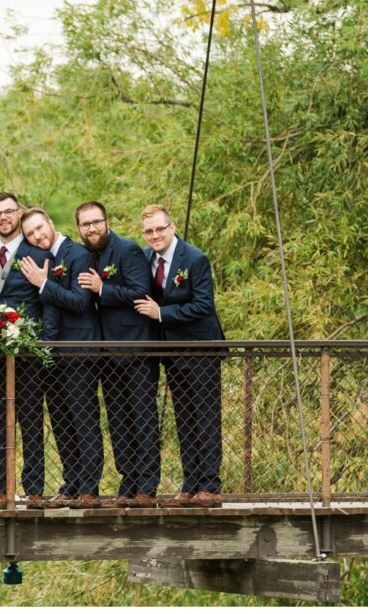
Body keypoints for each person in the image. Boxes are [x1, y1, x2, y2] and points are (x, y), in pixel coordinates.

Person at [133, 204, 225, 509]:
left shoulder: (195, 259)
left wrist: (162, 313)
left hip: (200, 348)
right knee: (184, 418)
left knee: (206, 417)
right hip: (171, 352)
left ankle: (210, 485)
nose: (155, 235)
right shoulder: (146, 258)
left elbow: (203, 305)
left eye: (160, 229)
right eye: (149, 231)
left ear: (172, 228)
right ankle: (191, 483)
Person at [75, 200, 160, 509]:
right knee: (118, 421)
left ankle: (147, 485)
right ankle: (129, 479)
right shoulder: (85, 255)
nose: (92, 228)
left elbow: (140, 291)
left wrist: (102, 288)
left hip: (136, 347)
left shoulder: (128, 250)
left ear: (106, 222)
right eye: (86, 224)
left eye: (96, 222)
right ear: (79, 229)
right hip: (106, 354)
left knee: (142, 417)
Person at [18, 207, 103, 509]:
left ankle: (90, 488)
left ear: (51, 223)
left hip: (79, 352)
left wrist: (43, 283)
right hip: (52, 357)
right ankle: (72, 482)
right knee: (62, 423)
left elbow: (81, 302)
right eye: (31, 234)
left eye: (40, 228)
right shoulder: (45, 260)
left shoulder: (76, 254)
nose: (38, 236)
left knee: (84, 421)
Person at [0, 192, 58, 509]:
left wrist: (43, 342)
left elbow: (47, 300)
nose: (3, 218)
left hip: (29, 354)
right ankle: (3, 489)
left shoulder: (36, 252)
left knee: (30, 418)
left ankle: (35, 487)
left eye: (8, 212)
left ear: (18, 214)